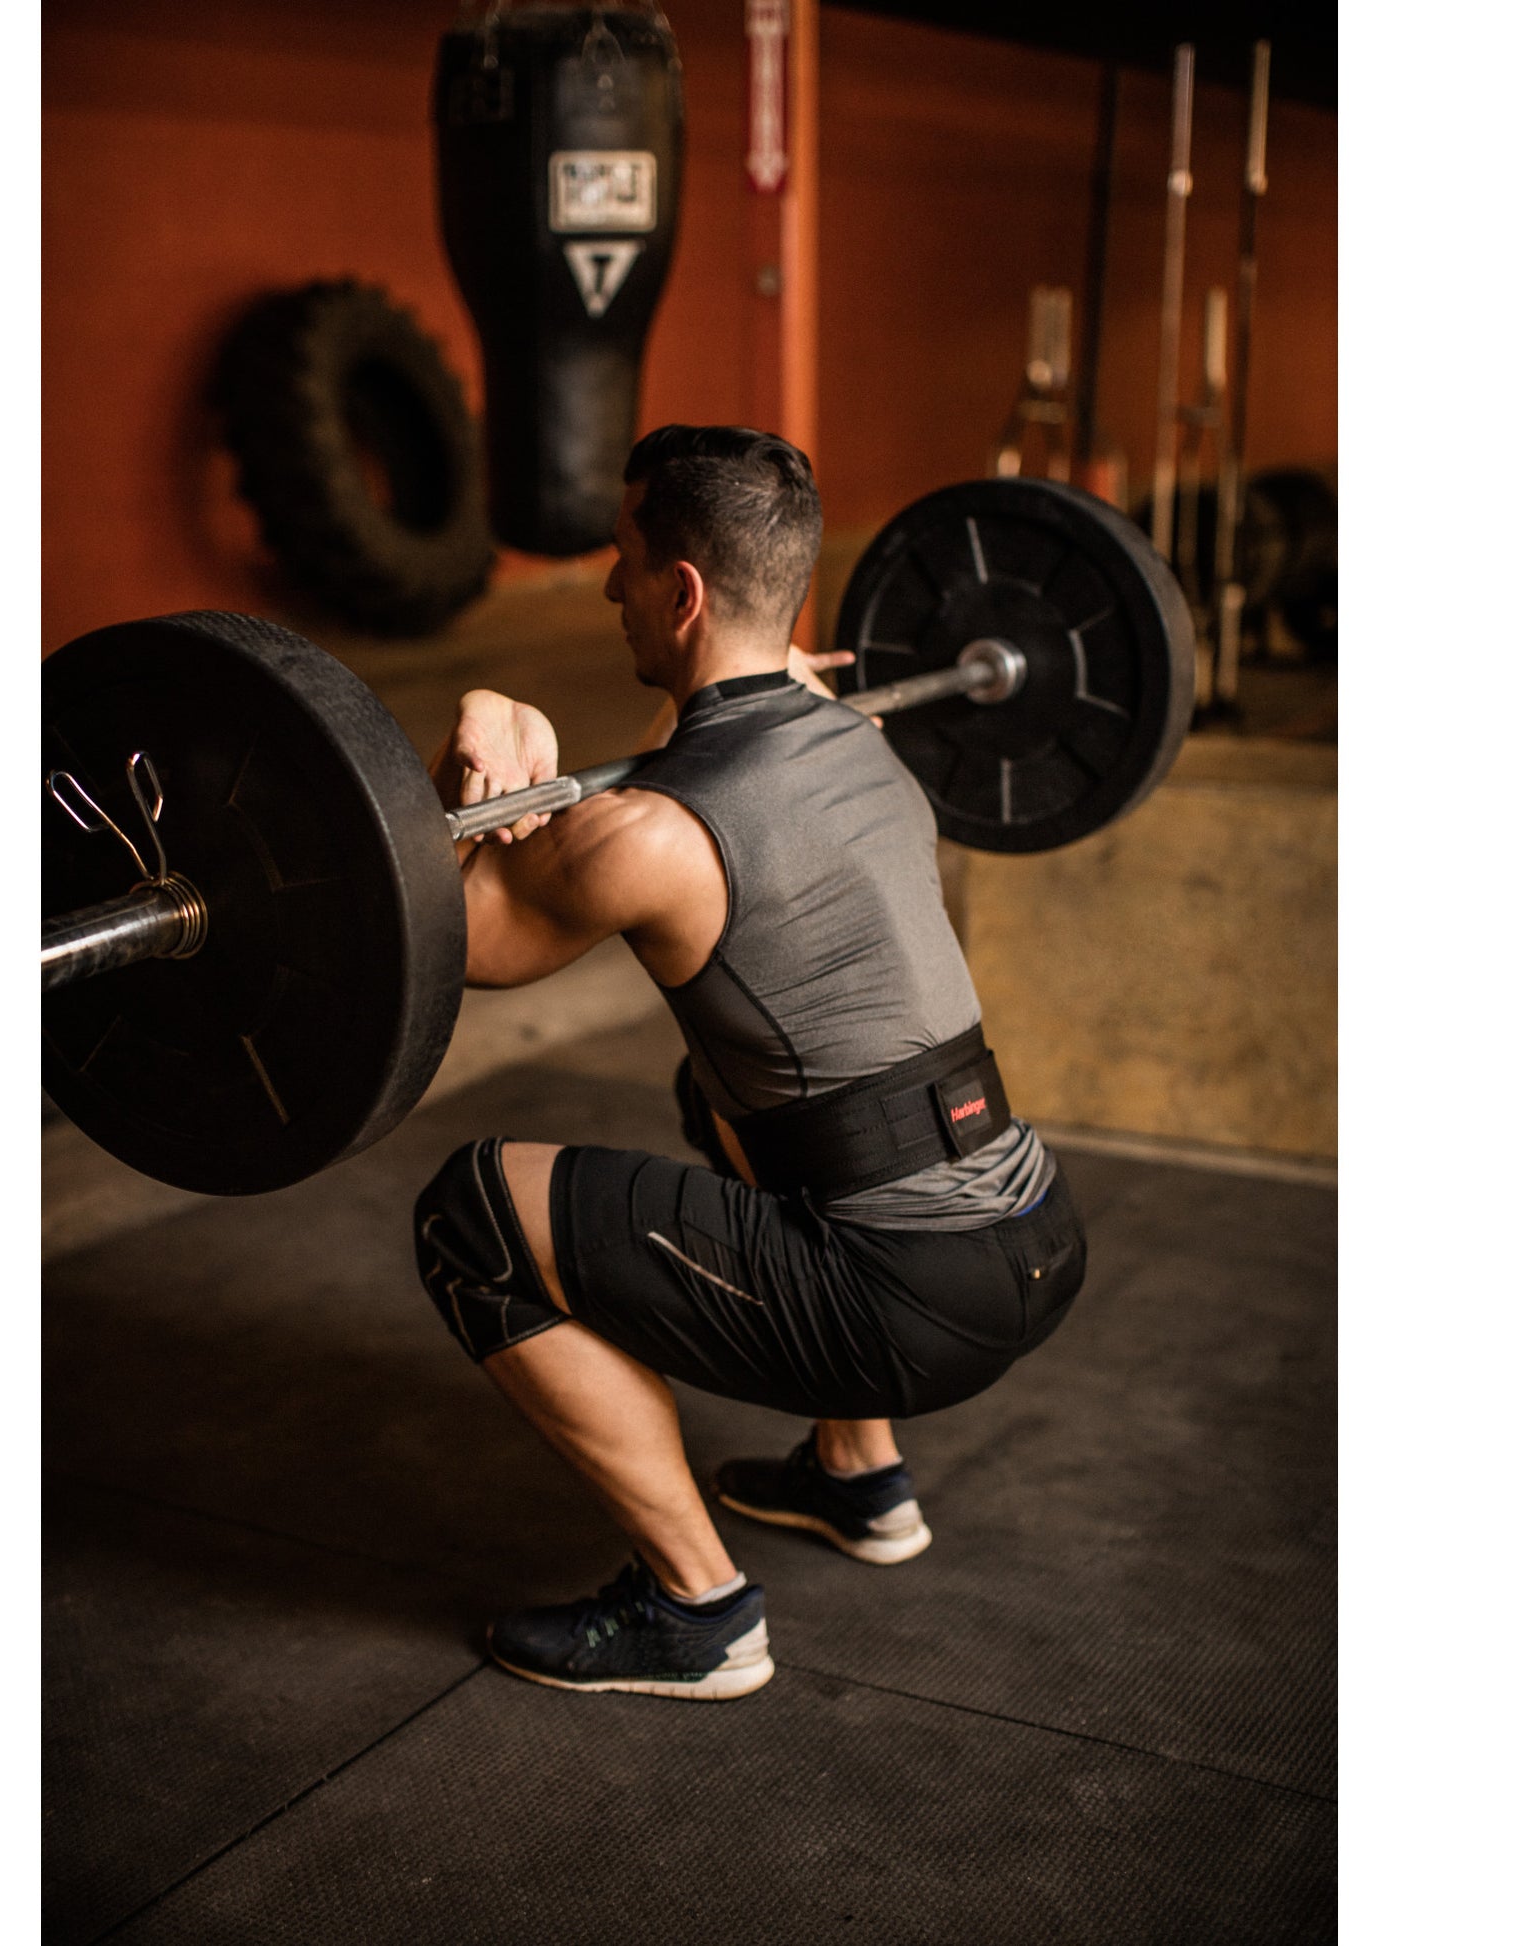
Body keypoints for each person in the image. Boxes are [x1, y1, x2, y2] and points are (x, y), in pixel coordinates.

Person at [413, 425, 1086, 1700]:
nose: (607, 587)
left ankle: (696, 1607)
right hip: (1037, 1231)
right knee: (717, 1090)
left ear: (680, 592)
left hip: (903, 1301)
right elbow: (734, 717)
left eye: (621, 562)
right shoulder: (865, 741)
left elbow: (454, 947)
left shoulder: (646, 836)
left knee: (472, 1214)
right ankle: (857, 1474)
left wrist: (485, 733)